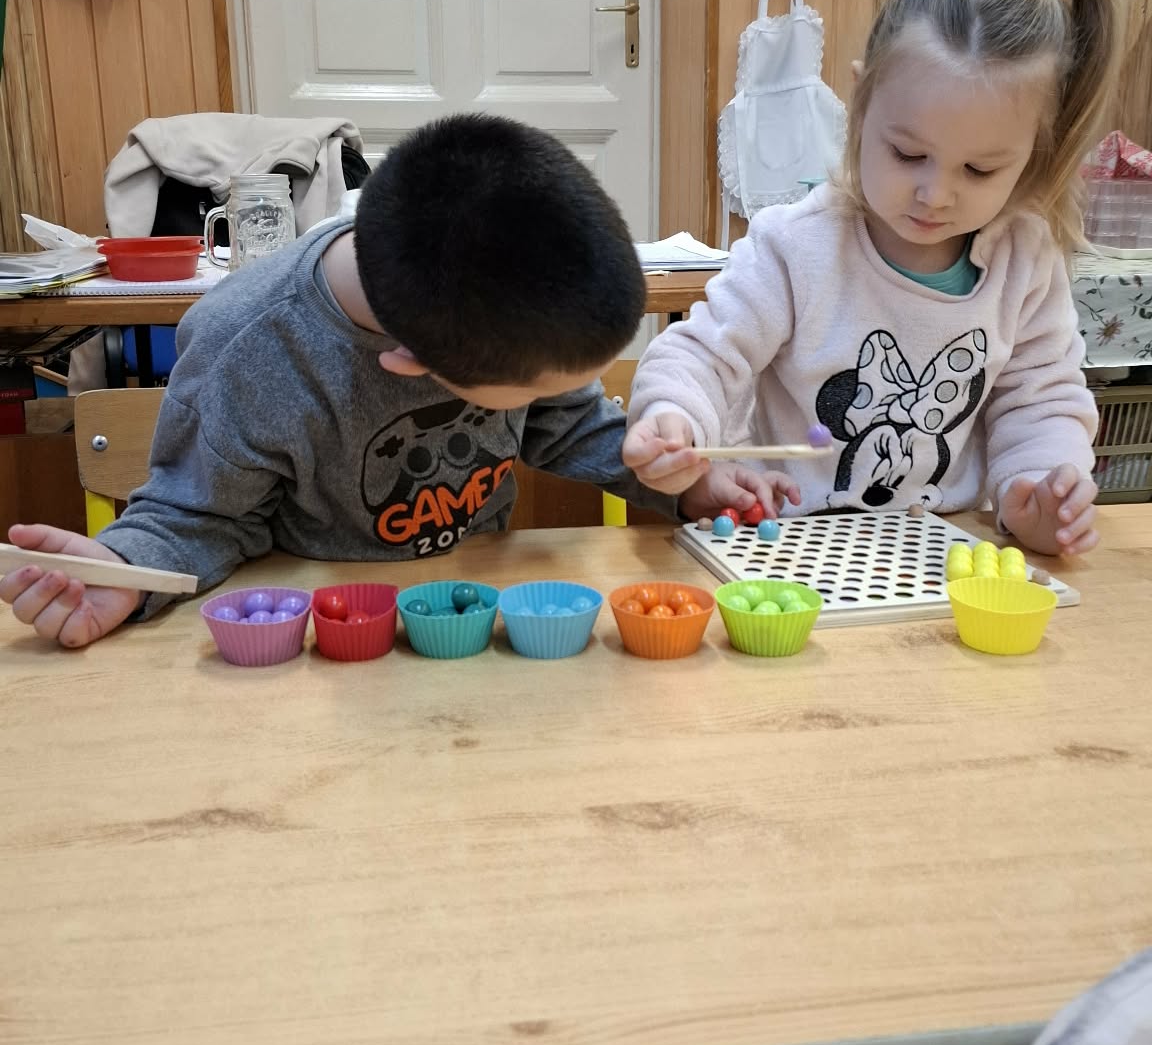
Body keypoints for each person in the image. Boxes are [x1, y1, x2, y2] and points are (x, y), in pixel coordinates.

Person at [2, 116, 739, 650]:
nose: (551, 402)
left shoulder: (497, 309)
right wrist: (128, 568)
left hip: (467, 620)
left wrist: (684, 486)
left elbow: (569, 425)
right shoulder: (248, 348)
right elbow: (197, 518)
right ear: (413, 366)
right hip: (316, 641)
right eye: (532, 393)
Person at [624, 0, 1123, 558]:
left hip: (945, 558)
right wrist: (674, 418)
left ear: (1034, 153)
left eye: (979, 170)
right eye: (907, 154)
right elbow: (703, 356)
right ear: (861, 104)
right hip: (786, 548)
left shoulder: (1024, 260)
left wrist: (1037, 491)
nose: (935, 194)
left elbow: (1042, 399)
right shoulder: (797, 245)